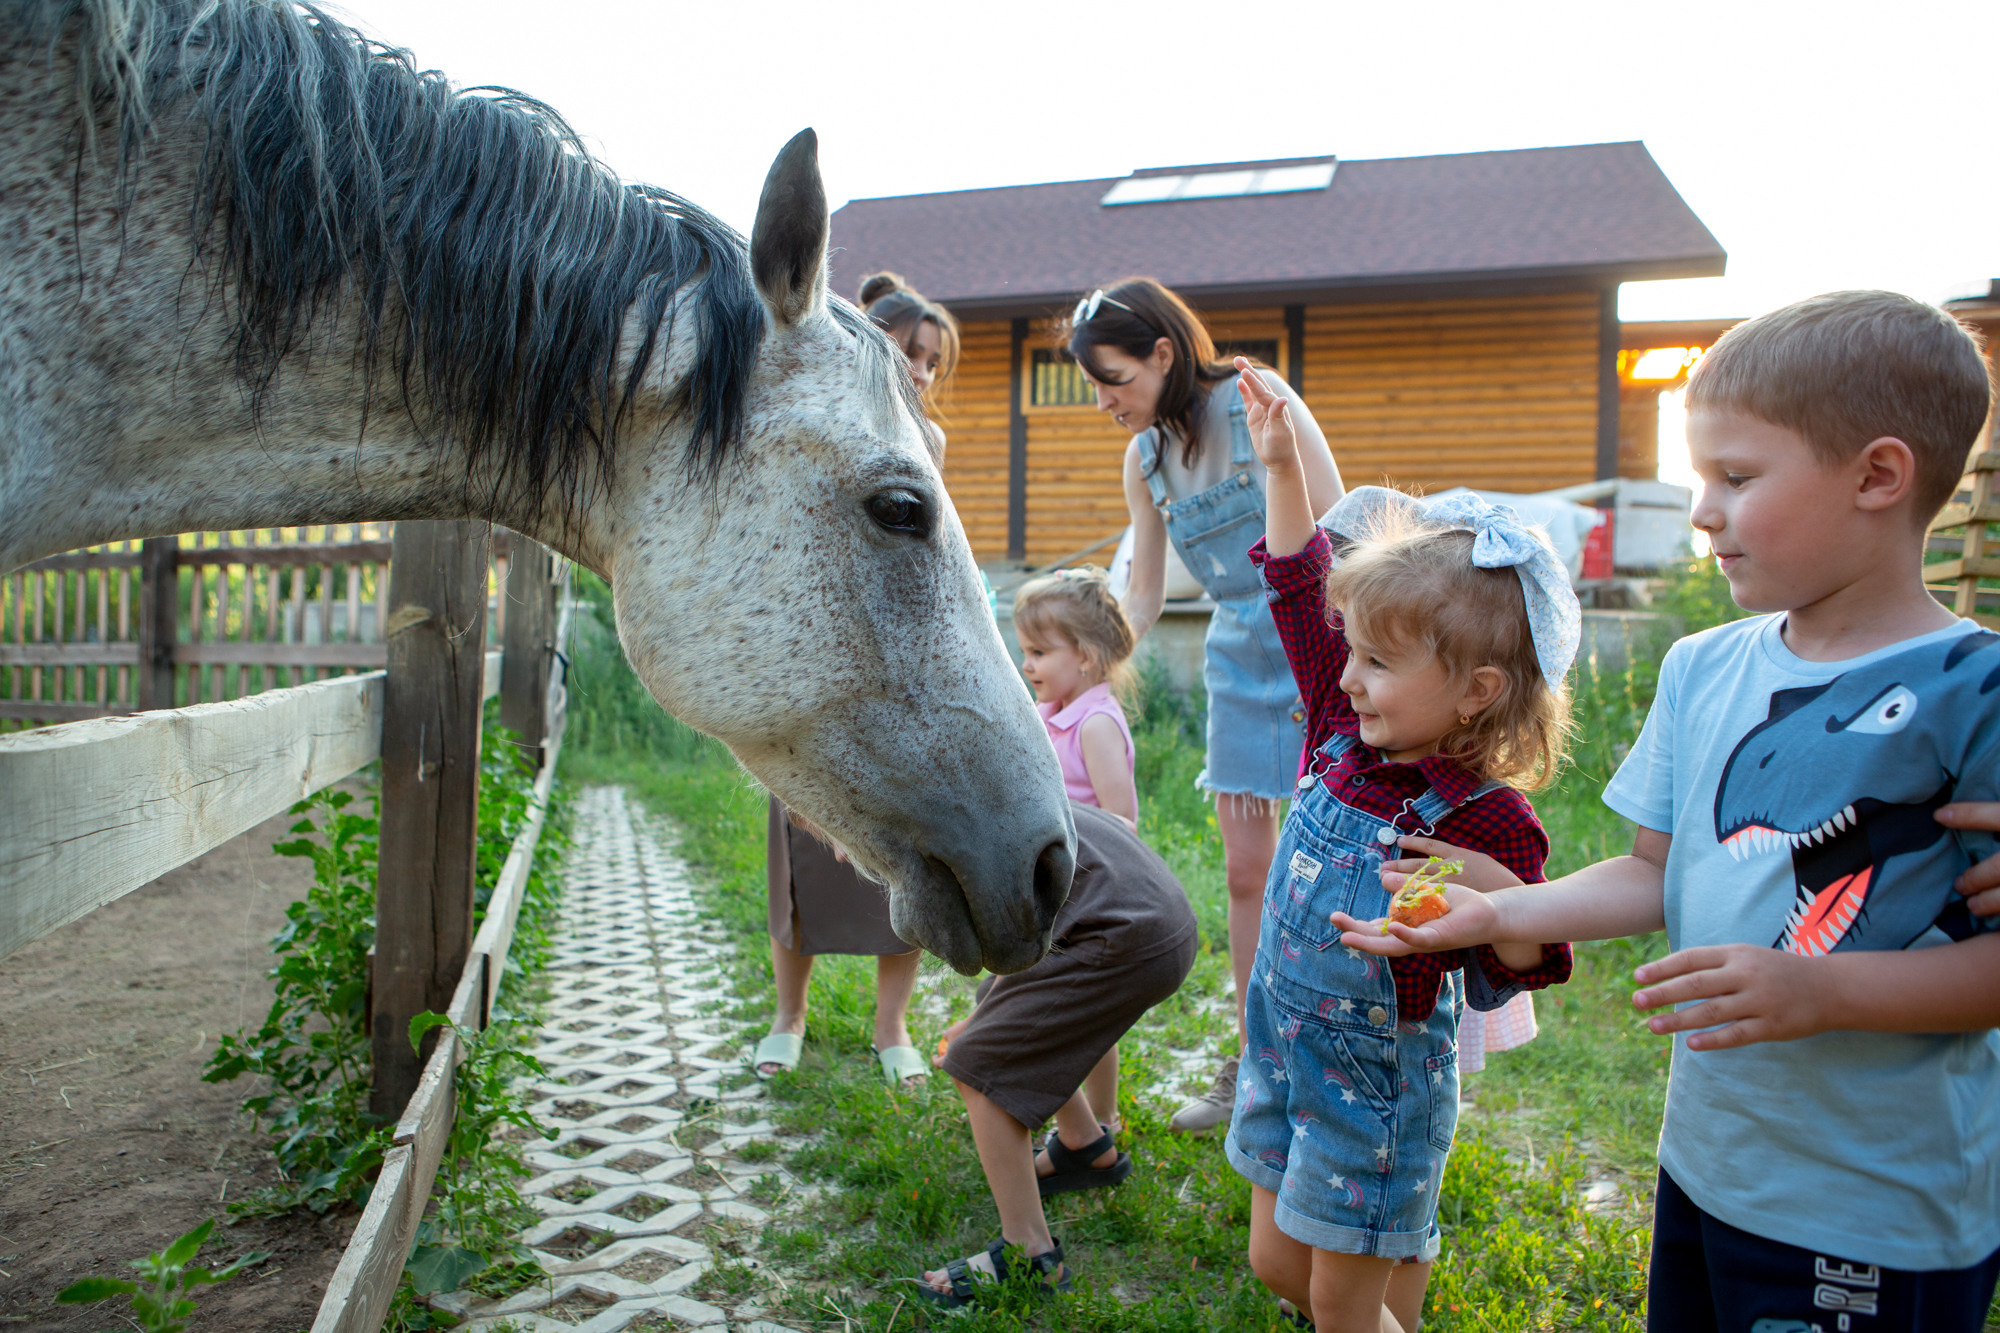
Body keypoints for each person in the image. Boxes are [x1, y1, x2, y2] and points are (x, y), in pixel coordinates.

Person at [1335, 292, 2000, 1331]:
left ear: (1877, 476)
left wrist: (1821, 992)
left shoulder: (1976, 692)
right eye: (1701, 478)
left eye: (1735, 478)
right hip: (1707, 1165)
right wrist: (1505, 912)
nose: (1699, 510)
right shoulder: (1702, 667)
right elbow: (1655, 871)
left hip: (1876, 1205)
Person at [1229, 362, 1576, 1331]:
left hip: (1377, 1090)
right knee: (1273, 1262)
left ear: (1475, 689)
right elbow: (1298, 592)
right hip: (1280, 1054)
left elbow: (1535, 957)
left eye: (1377, 661)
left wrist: (1494, 891)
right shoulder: (1335, 738)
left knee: (1339, 1308)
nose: (1345, 676)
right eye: (1349, 652)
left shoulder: (1481, 816)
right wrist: (1281, 463)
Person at [1068, 278, 1345, 1132]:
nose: (1106, 401)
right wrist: (1089, 664)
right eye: (1095, 387)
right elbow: (1144, 592)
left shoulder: (1260, 402)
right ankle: (1256, 1065)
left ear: (1162, 352)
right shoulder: (1143, 456)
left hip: (1320, 646)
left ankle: (1328, 1055)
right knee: (1244, 873)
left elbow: (1342, 529)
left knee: (1330, 865)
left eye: (1114, 379)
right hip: (1237, 657)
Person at [753, 273, 962, 1087]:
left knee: (899, 861)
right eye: (911, 351)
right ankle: (789, 1016)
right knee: (798, 864)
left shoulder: (927, 446)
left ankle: (891, 1025)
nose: (922, 370)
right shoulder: (817, 429)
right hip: (810, 675)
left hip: (903, 682)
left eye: (935, 361)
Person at [911, 802, 1198, 1308]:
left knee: (979, 1064)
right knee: (1002, 1018)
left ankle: (1030, 1256)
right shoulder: (974, 793)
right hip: (1153, 919)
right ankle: (1085, 1145)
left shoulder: (938, 835)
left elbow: (1010, 929)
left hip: (1123, 935)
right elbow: (1023, 941)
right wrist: (982, 1015)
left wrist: (972, 1034)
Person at [1012, 565, 1139, 827]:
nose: (1026, 665)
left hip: (1086, 865)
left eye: (1038, 652)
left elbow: (1123, 826)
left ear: (1085, 657)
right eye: (1024, 652)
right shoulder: (1044, 711)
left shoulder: (1096, 726)